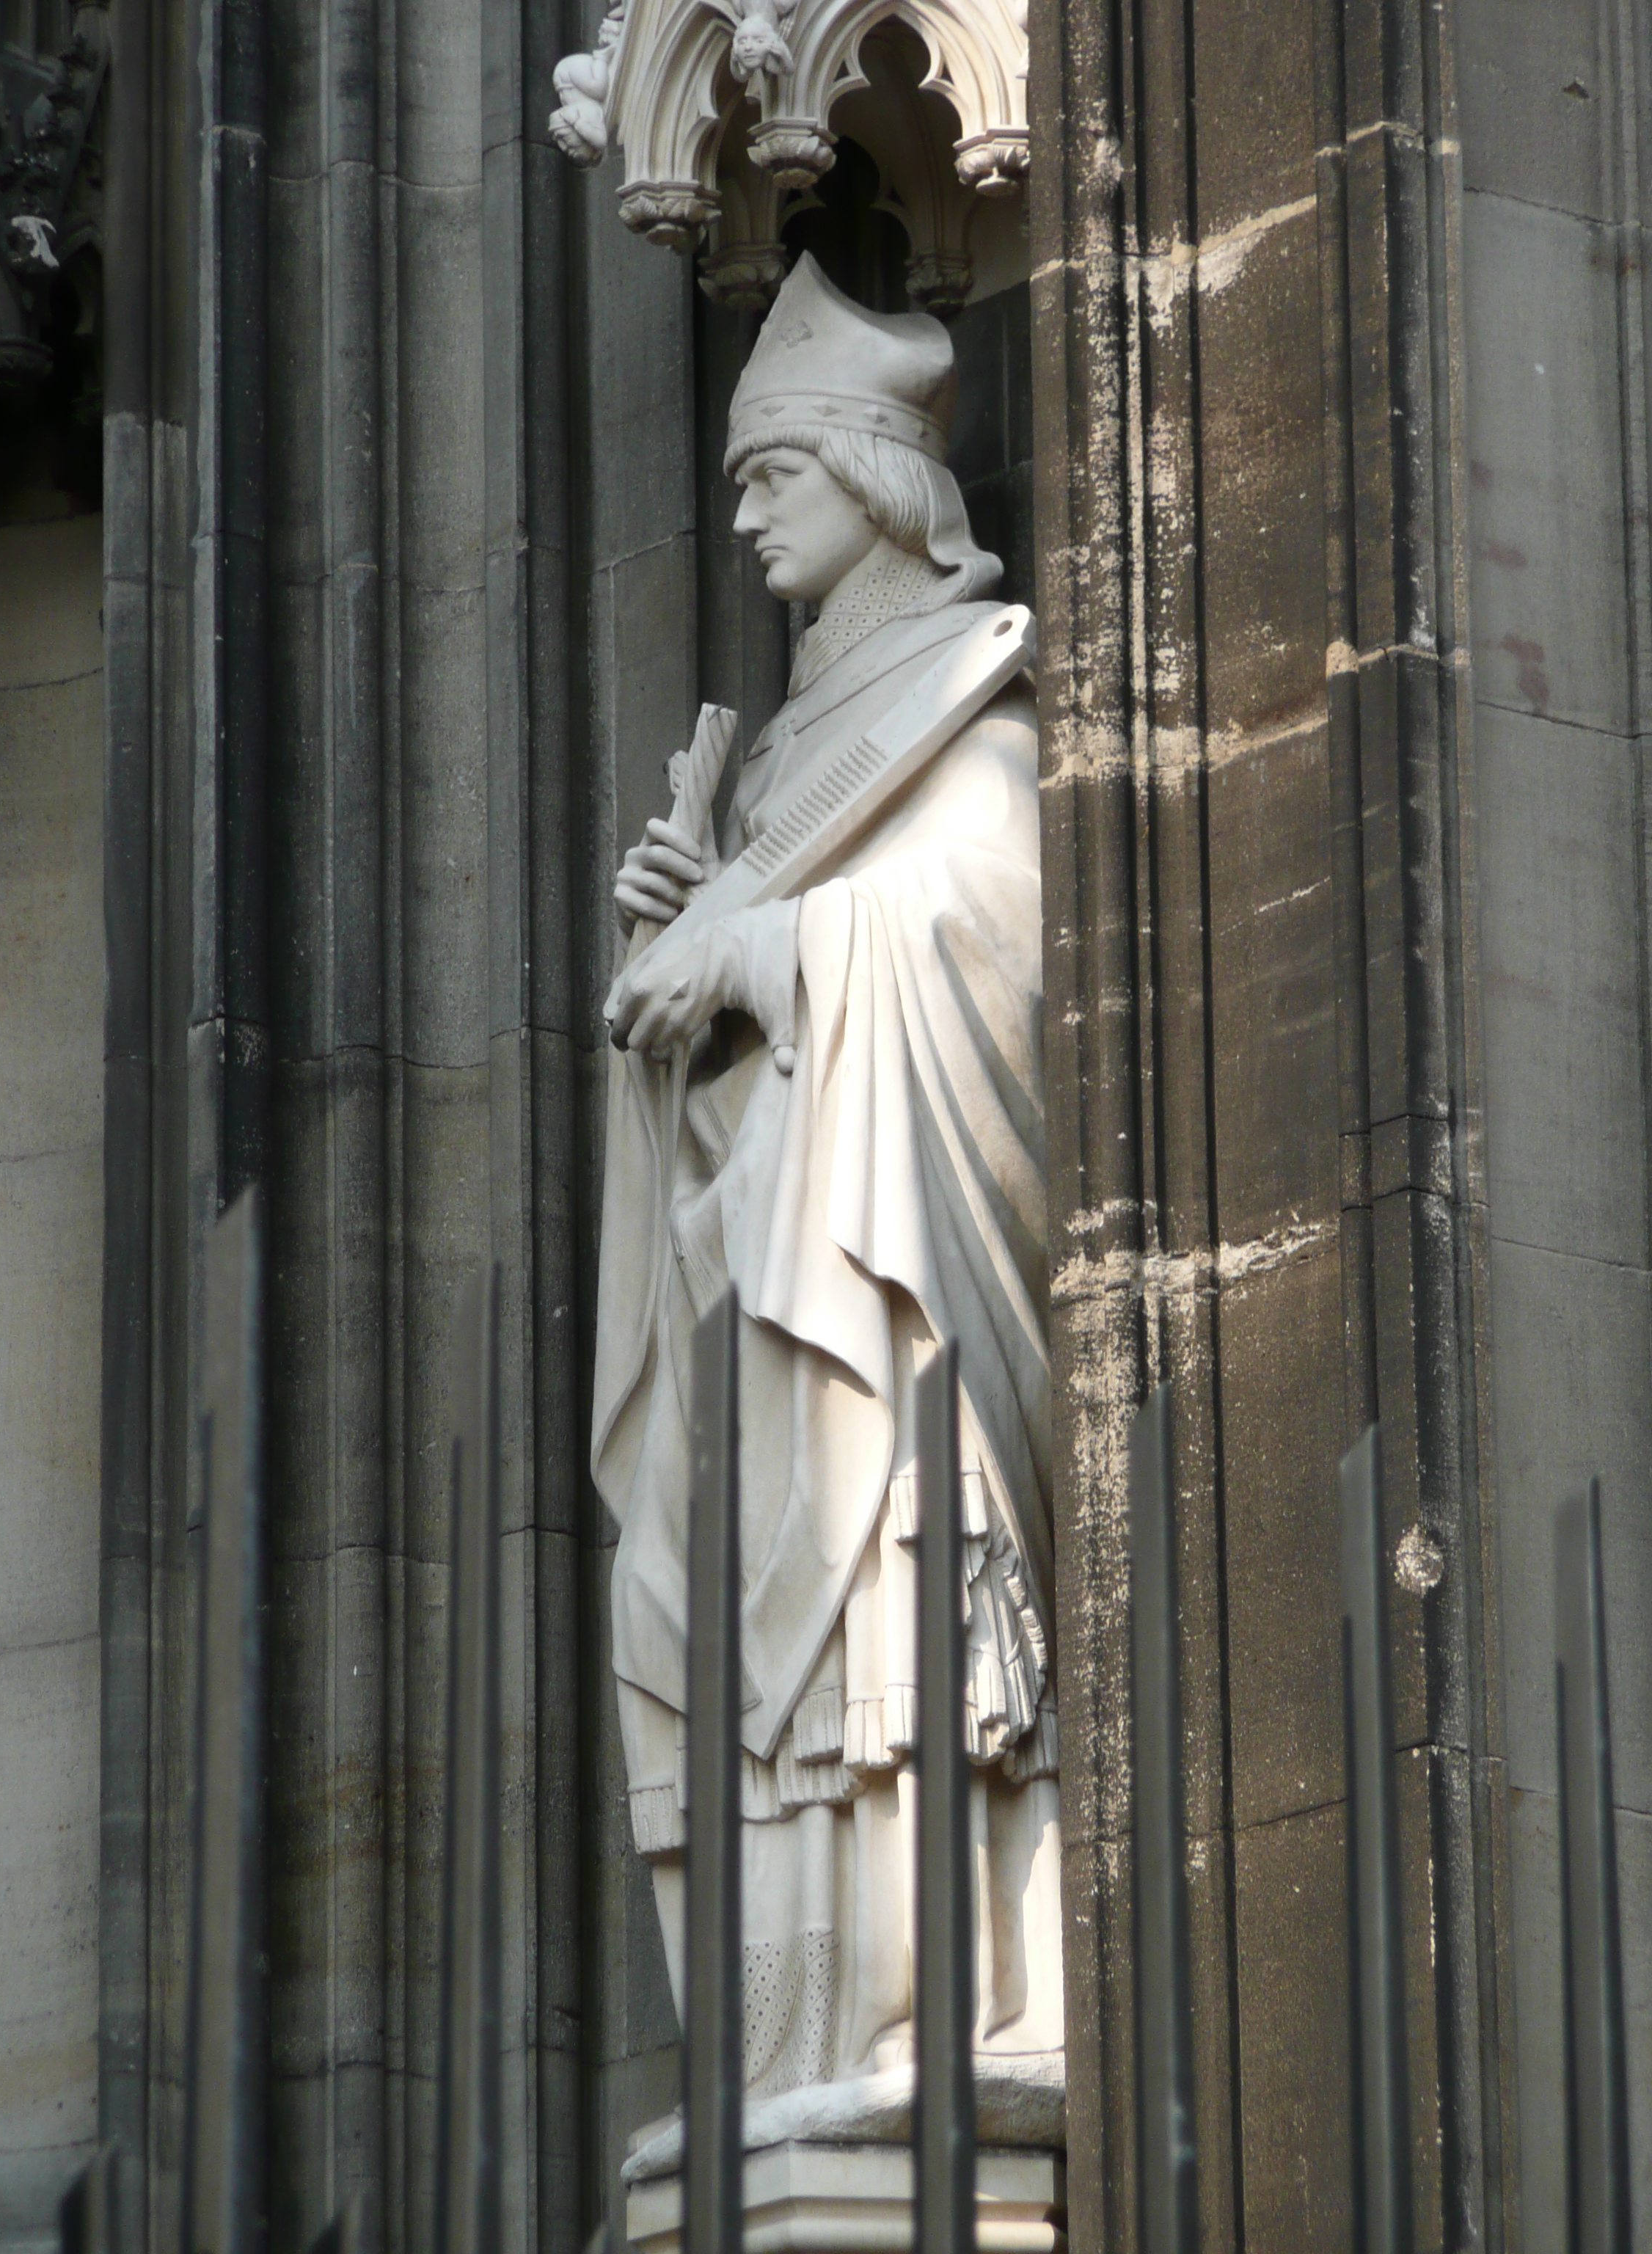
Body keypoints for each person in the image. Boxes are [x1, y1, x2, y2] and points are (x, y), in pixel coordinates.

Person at [593, 254, 1061, 2100]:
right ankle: (789, 2059)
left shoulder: (966, 695)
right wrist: (685, 977)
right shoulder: (789, 758)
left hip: (877, 1296)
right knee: (734, 1620)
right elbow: (734, 1084)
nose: (738, 513)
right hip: (766, 1305)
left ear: (870, 476)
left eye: (768, 473)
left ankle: (921, 2019)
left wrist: (770, 954)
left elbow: (989, 924)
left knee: (893, 1593)